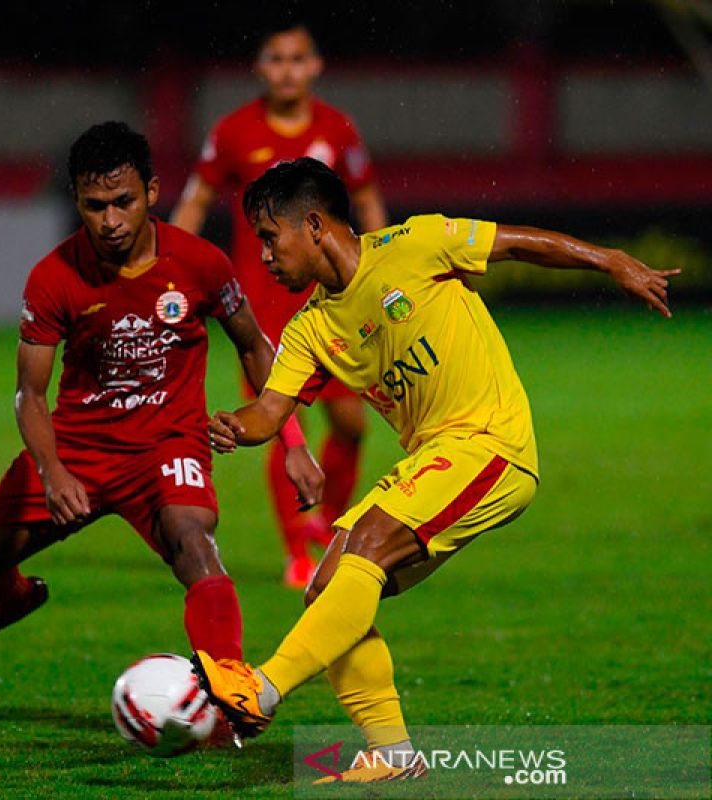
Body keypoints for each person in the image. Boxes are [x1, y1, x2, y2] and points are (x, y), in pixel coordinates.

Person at [191, 157, 678, 783]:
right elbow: (267, 414)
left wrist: (610, 260)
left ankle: (261, 690)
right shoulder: (310, 328)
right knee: (330, 584)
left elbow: (519, 244)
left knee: (361, 548)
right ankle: (392, 756)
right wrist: (233, 424)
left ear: (313, 225)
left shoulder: (416, 243)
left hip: (490, 442)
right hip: (434, 459)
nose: (262, 256)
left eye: (268, 236)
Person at [0, 123, 321, 669]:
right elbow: (30, 395)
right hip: (78, 447)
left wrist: (294, 444)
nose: (111, 221)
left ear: (152, 193)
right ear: (76, 200)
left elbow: (256, 349)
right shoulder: (53, 278)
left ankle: (228, 692)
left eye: (123, 202)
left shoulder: (200, 263)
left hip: (169, 444)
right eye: (95, 206)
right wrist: (52, 472)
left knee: (195, 543)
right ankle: (15, 599)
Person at [171, 21, 387, 589]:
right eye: (276, 59)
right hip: (260, 306)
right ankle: (299, 550)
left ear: (315, 66)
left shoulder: (337, 129)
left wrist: (382, 264)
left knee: (351, 425)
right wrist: (169, 266)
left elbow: (363, 196)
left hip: (332, 303)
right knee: (281, 424)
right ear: (259, 68)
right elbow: (196, 199)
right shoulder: (234, 132)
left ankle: (330, 525)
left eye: (298, 58)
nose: (287, 69)